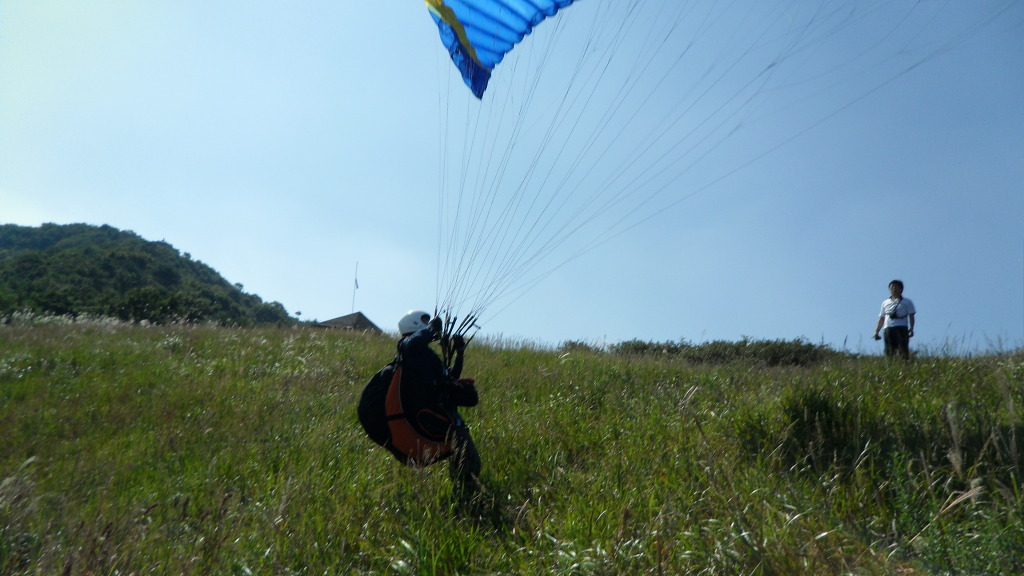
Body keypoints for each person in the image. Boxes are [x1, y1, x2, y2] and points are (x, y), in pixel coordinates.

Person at [358, 310, 481, 498]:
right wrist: (432, 328)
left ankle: (464, 494)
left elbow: (449, 377)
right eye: (425, 321)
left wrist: (460, 353)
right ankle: (465, 498)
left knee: (467, 457)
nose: (428, 324)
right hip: (426, 418)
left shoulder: (422, 356)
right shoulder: (410, 349)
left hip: (438, 415)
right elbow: (412, 343)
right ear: (414, 324)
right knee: (468, 457)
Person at [873, 280, 916, 359]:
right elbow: (882, 318)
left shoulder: (907, 302)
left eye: (896, 287)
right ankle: (890, 365)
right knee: (889, 350)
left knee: (903, 350)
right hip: (888, 328)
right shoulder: (885, 302)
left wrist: (912, 328)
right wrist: (876, 331)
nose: (893, 289)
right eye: (892, 287)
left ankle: (904, 364)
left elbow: (911, 316)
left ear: (901, 289)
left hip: (901, 327)